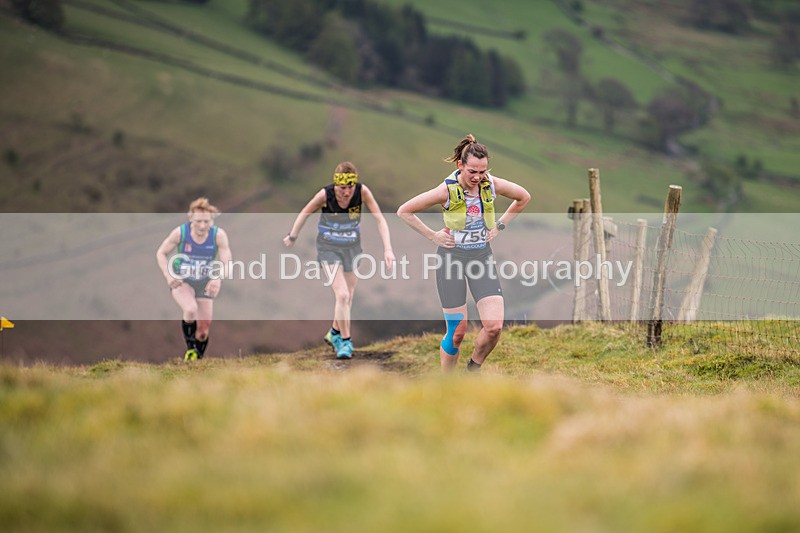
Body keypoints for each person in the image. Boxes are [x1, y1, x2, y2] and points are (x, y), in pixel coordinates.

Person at [397, 134, 530, 373]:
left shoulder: (491, 184)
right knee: (457, 332)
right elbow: (404, 211)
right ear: (460, 165)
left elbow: (523, 197)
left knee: (494, 327)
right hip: (452, 260)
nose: (478, 177)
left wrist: (499, 226)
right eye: (472, 172)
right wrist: (433, 236)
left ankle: (473, 369)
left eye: (482, 171)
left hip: (481, 258)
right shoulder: (445, 190)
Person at [283, 161, 395, 359]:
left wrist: (388, 249)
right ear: (336, 185)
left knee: (348, 297)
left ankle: (333, 332)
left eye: (350, 187)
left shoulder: (362, 192)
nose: (346, 192)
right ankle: (345, 341)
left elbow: (380, 219)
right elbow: (305, 213)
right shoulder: (324, 195)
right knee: (342, 295)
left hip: (352, 248)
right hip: (328, 248)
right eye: (342, 188)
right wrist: (292, 236)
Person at [156, 197, 232, 361]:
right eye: (198, 221)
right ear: (190, 218)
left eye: (206, 221)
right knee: (190, 309)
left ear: (211, 220)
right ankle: (190, 350)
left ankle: (198, 358)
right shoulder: (180, 233)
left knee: (203, 331)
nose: (202, 226)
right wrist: (168, 276)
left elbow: (227, 261)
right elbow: (161, 253)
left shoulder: (218, 235)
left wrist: (217, 278)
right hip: (182, 281)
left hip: (204, 283)